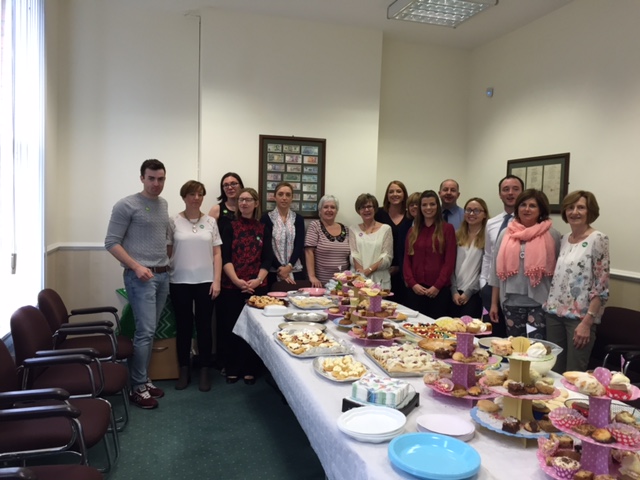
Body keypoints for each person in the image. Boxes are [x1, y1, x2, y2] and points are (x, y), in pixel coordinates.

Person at [105, 159, 170, 409]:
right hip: (140, 277)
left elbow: (161, 239)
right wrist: (136, 266)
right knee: (144, 331)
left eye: (161, 179)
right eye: (151, 178)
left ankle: (143, 379)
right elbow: (111, 242)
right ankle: (137, 387)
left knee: (150, 331)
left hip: (163, 275)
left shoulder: (163, 204)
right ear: (142, 178)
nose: (156, 183)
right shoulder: (126, 205)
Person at [544, 191, 610, 372]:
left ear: (590, 211)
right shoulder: (564, 239)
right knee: (552, 371)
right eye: (570, 207)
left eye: (581, 207)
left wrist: (587, 322)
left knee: (574, 374)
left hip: (580, 318)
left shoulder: (598, 239)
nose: (575, 212)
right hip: (554, 314)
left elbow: (601, 286)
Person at [168, 180, 222, 392]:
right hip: (179, 281)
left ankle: (204, 370)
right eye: (191, 194)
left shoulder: (210, 222)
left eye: (200, 194)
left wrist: (216, 280)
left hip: (205, 282)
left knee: (205, 328)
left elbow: (217, 253)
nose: (196, 198)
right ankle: (184, 369)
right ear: (184, 197)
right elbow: (168, 251)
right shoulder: (173, 221)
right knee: (183, 327)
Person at [489, 189, 561, 339]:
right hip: (511, 302)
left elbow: (558, 273)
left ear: (541, 209)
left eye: (532, 205)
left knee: (537, 348)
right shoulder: (506, 234)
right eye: (523, 205)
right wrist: (494, 303)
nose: (527, 209)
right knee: (515, 348)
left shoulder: (552, 234)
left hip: (540, 302)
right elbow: (496, 271)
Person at [218, 188, 272, 385]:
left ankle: (250, 368)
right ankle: (232, 367)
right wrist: (236, 280)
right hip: (232, 286)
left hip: (257, 287)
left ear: (256, 203)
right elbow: (225, 257)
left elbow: (267, 259)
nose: (244, 203)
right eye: (241, 200)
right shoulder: (230, 227)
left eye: (248, 200)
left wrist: (257, 281)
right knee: (231, 328)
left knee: (253, 329)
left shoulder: (263, 228)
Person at [480, 175, 524, 337]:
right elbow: (488, 255)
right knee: (489, 334)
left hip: (515, 290)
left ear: (522, 192)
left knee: (513, 337)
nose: (510, 193)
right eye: (506, 189)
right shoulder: (492, 223)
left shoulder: (528, 224)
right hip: (491, 287)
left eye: (515, 189)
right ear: (500, 194)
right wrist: (483, 283)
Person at [403, 190, 456, 318]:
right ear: (420, 207)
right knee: (414, 328)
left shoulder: (447, 229)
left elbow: (449, 261)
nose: (428, 208)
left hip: (439, 290)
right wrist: (413, 284)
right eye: (424, 205)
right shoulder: (413, 231)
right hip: (416, 290)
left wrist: (437, 286)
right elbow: (407, 260)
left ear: (438, 206)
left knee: (436, 330)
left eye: (432, 204)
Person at [260, 182, 306, 289]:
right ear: (274, 197)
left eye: (288, 195)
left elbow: (299, 245)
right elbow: (266, 247)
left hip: (295, 270)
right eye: (280, 194)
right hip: (272, 271)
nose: (284, 198)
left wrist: (289, 267)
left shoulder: (298, 219)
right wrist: (280, 269)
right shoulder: (266, 218)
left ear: (292, 198)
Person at [450, 198, 489, 318]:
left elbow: (485, 270)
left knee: (468, 331)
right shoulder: (456, 235)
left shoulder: (488, 238)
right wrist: (454, 291)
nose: (471, 214)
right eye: (468, 210)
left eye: (476, 211)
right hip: (454, 291)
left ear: (484, 215)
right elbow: (449, 264)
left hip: (474, 293)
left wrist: (469, 292)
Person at [349, 194, 393, 290]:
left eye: (369, 206)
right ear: (358, 210)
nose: (366, 210)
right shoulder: (353, 229)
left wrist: (368, 271)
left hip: (379, 280)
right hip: (358, 279)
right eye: (363, 207)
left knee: (378, 305)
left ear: (375, 208)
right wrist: (361, 274)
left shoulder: (386, 229)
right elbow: (354, 254)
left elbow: (387, 257)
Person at [375, 181, 410, 302]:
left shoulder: (410, 215)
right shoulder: (378, 213)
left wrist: (400, 267)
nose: (395, 194)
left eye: (398, 191)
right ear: (387, 195)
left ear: (404, 194)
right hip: (381, 270)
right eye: (391, 191)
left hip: (404, 271)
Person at [305, 195, 350, 288]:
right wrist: (312, 276)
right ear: (320, 210)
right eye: (325, 207)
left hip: (343, 284)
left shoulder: (346, 228)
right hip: (320, 284)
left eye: (333, 207)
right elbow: (309, 252)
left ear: (336, 211)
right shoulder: (315, 226)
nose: (329, 210)